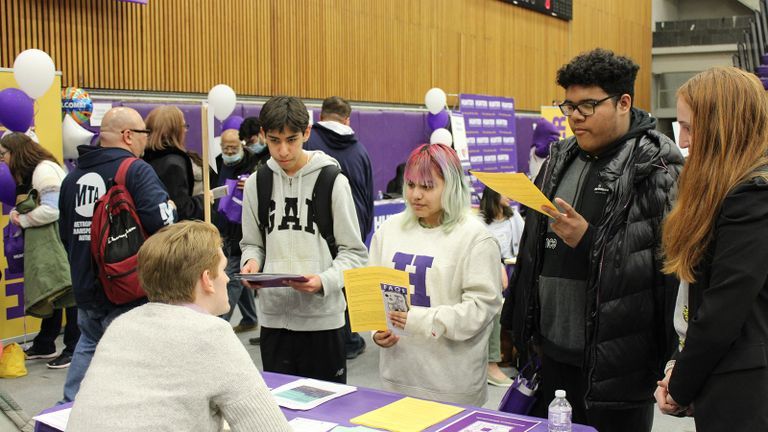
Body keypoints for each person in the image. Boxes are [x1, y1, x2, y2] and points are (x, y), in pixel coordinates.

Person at [500, 48, 683, 432]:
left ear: (624, 103)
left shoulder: (657, 169)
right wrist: (517, 326)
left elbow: (666, 273)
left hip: (618, 362)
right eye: (568, 106)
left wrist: (589, 241)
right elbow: (531, 250)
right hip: (550, 351)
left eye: (588, 106)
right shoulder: (558, 158)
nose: (575, 118)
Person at [66, 221, 291, 431]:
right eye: (222, 270)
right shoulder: (211, 334)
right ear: (206, 280)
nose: (227, 278)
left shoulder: (121, 325)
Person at [654, 67, 768, 431]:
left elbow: (723, 311)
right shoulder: (727, 192)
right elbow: (695, 301)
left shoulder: (752, 197)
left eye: (688, 127)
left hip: (745, 392)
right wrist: (677, 365)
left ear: (723, 128)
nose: (682, 140)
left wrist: (681, 386)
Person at [239, 96, 368, 384]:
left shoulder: (333, 180)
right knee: (282, 417)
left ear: (307, 133)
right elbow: (252, 244)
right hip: (273, 321)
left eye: (292, 139)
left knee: (327, 415)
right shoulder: (256, 184)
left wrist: (324, 281)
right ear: (263, 135)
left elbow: (355, 254)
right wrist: (251, 263)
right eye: (274, 140)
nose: (283, 150)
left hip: (323, 323)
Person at [58, 107, 176, 402]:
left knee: (89, 345)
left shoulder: (71, 179)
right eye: (143, 134)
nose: (145, 142)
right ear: (128, 136)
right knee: (137, 365)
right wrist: (171, 207)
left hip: (85, 287)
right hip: (128, 290)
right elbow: (163, 225)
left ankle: (69, 410)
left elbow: (64, 234)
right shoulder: (135, 170)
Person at [369, 143, 502, 406]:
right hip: (397, 379)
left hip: (452, 385)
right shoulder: (388, 231)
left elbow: (481, 309)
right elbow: (373, 294)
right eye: (410, 185)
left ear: (451, 187)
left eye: (427, 187)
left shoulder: (475, 238)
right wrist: (376, 330)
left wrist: (417, 320)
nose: (415, 195)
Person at [0, 133, 79, 369]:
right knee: (52, 289)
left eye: (4, 154)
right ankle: (46, 343)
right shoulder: (36, 171)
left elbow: (52, 211)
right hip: (53, 240)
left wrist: (22, 219)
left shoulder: (43, 171)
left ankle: (74, 347)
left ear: (16, 153)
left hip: (59, 240)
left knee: (66, 289)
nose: (2, 160)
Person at [305, 96, 373, 360]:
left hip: (317, 228)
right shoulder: (361, 151)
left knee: (318, 282)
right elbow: (367, 198)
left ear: (321, 116)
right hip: (352, 227)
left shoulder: (308, 144)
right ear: (348, 119)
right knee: (344, 283)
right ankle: (349, 339)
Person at [215, 128, 260, 334]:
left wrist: (251, 183)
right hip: (224, 224)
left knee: (233, 275)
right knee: (237, 273)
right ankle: (250, 317)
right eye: (226, 148)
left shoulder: (254, 162)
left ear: (241, 144)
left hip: (245, 228)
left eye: (233, 147)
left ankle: (221, 325)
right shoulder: (217, 163)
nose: (230, 152)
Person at [478, 186, 524, 387]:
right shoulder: (479, 222)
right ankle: (493, 362)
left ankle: (517, 356)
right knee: (494, 305)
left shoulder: (513, 217)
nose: (509, 195)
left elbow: (525, 243)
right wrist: (498, 265)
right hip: (489, 270)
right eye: (504, 191)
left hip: (512, 267)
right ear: (493, 195)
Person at [143, 105, 204, 221]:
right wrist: (203, 200)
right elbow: (182, 210)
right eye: (183, 126)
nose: (185, 130)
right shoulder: (174, 165)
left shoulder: (144, 158)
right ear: (174, 131)